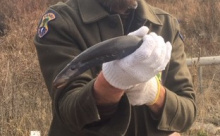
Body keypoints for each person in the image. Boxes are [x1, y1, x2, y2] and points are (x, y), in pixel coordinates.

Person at [34, 0, 197, 135]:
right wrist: (112, 82)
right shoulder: (61, 21)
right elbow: (70, 113)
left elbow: (187, 113)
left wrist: (153, 93)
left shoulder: (166, 24)